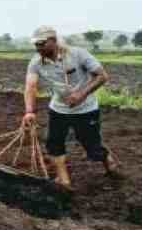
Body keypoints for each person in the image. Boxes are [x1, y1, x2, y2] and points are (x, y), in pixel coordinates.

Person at [22, 26, 121, 190]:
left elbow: (102, 76)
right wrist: (29, 111)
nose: (38, 48)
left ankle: (107, 160)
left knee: (93, 148)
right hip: (59, 109)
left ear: (53, 40)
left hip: (86, 109)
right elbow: (30, 87)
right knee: (54, 143)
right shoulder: (36, 62)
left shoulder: (78, 54)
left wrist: (81, 95)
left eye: (41, 44)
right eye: (36, 45)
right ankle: (64, 180)